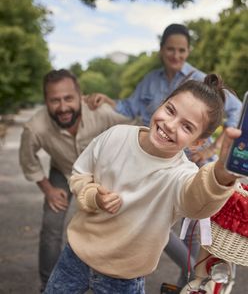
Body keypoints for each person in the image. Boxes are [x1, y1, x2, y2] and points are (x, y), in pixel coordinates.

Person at [44, 74, 241, 294]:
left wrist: (221, 175)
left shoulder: (182, 174)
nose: (170, 125)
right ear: (161, 104)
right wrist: (92, 196)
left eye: (186, 127)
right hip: (75, 256)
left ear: (197, 142)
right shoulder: (115, 136)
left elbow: (196, 202)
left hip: (125, 278)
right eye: (170, 110)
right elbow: (80, 174)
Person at [84, 23, 242, 286]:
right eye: (171, 49)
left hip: (191, 167)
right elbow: (129, 106)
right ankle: (192, 277)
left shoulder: (199, 82)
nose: (176, 55)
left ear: (189, 51)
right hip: (154, 164)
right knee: (151, 219)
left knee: (193, 235)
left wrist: (211, 148)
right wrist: (108, 101)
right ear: (161, 50)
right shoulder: (150, 80)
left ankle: (188, 284)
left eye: (182, 50)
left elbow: (234, 109)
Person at [19, 69, 132, 292]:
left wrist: (113, 101)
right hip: (62, 171)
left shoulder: (101, 111)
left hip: (101, 175)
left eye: (68, 98)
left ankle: (110, 281)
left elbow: (136, 123)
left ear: (80, 95)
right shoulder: (35, 127)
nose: (62, 107)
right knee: (51, 226)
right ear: (46, 101)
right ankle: (48, 286)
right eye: (54, 100)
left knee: (122, 222)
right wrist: (48, 189)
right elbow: (28, 160)